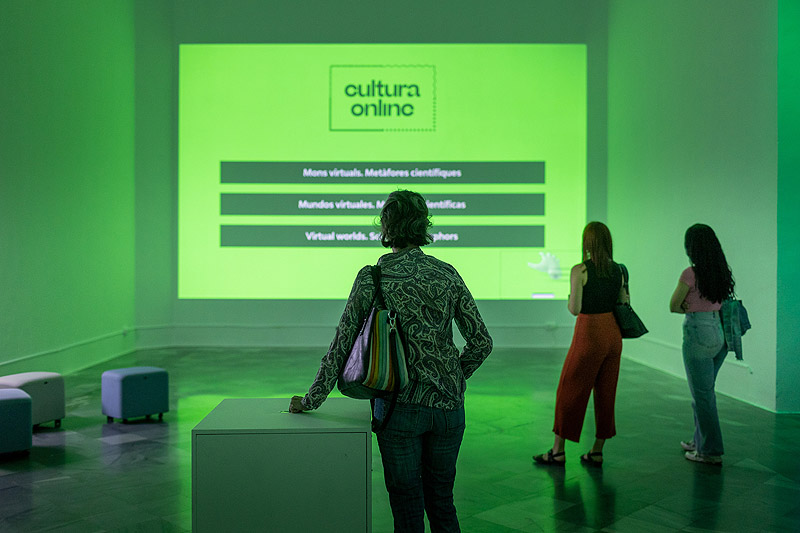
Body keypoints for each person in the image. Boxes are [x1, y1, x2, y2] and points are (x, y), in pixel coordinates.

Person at [289, 189, 493, 532]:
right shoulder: (446, 273)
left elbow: (342, 344)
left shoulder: (374, 276)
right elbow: (481, 342)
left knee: (407, 507)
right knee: (442, 502)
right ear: (423, 225)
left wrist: (312, 399)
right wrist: (454, 376)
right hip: (449, 409)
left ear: (386, 226)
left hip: (399, 407)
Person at [533, 221, 626, 467]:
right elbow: (623, 301)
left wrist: (569, 298)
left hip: (590, 333)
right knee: (606, 394)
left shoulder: (580, 270)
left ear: (587, 243)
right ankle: (597, 451)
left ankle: (558, 451)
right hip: (613, 334)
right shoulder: (619, 271)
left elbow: (575, 309)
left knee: (569, 389)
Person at [669, 223, 735, 465]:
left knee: (703, 395)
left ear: (691, 248)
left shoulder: (690, 274)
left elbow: (673, 305)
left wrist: (688, 306)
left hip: (699, 333)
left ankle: (710, 451)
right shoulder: (721, 272)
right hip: (720, 335)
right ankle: (700, 440)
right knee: (703, 392)